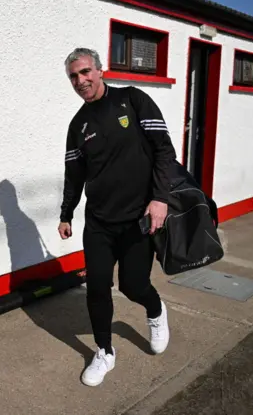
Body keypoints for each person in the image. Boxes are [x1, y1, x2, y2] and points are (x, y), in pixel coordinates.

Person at [58, 47, 175, 387]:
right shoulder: (78, 124)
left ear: (100, 70)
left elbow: (164, 150)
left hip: (138, 218)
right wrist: (66, 213)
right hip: (98, 221)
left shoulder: (133, 101)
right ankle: (104, 351)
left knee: (133, 285)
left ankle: (155, 312)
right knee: (97, 286)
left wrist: (159, 198)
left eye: (85, 72)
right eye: (73, 76)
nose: (81, 80)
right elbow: (74, 174)